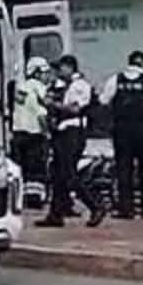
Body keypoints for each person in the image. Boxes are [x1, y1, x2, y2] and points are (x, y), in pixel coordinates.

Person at [39, 53, 103, 228]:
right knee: (57, 174)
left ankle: (95, 206)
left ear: (70, 67)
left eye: (60, 68)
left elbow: (76, 109)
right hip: (61, 132)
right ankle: (56, 214)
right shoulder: (62, 86)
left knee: (68, 173)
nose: (58, 72)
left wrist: (53, 105)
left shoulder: (80, 86)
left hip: (73, 132)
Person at [100, 50, 143, 219]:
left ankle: (125, 208)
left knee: (123, 170)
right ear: (141, 64)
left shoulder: (115, 80)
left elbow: (103, 102)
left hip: (122, 132)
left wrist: (107, 126)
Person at [11, 56, 50, 197]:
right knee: (36, 170)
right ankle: (35, 198)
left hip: (18, 133)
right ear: (36, 73)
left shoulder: (22, 86)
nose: (47, 76)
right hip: (34, 135)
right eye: (45, 73)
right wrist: (47, 133)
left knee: (22, 169)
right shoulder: (38, 87)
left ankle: (23, 197)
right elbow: (41, 114)